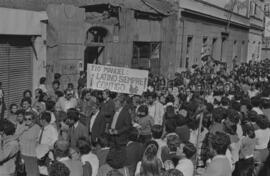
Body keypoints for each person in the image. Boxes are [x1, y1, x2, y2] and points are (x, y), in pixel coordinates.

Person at [19, 111, 41, 176]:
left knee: (33, 174)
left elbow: (38, 141)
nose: (27, 120)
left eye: (29, 119)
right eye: (25, 119)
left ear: (33, 119)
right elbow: (19, 139)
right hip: (23, 155)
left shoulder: (37, 128)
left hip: (33, 155)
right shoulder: (22, 127)